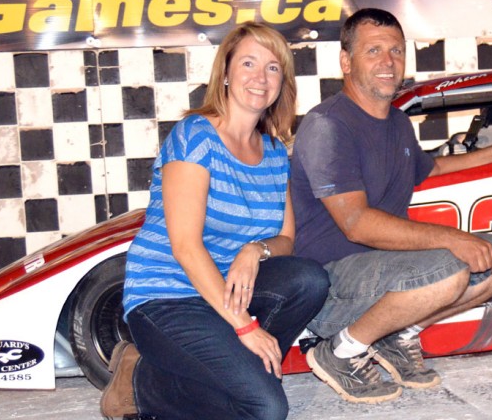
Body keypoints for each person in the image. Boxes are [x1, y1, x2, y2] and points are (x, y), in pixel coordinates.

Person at [99, 22, 330, 420]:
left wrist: (253, 250)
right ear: (225, 72)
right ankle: (140, 380)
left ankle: (243, 373)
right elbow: (186, 246)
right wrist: (244, 328)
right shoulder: (195, 136)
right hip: (167, 296)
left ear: (282, 82)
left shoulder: (275, 151)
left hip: (224, 291)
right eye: (249, 63)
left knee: (309, 279)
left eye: (273, 68)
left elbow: (287, 239)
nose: (260, 77)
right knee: (266, 408)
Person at [291, 8, 492, 403]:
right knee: (449, 268)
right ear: (346, 61)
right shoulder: (328, 124)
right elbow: (356, 224)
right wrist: (454, 239)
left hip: (380, 271)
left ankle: (397, 334)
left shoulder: (397, 122)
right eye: (373, 51)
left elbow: (431, 167)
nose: (388, 62)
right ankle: (340, 351)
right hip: (330, 281)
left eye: (396, 51)